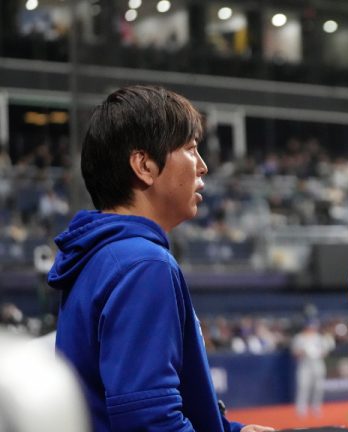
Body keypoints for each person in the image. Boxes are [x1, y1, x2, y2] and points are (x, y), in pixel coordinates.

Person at [48, 85, 273, 432]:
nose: (203, 166)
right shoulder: (143, 263)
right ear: (144, 165)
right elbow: (149, 423)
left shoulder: (102, 255)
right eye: (191, 149)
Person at [291, 318, 335, 418]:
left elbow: (326, 352)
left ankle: (316, 407)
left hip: (317, 363)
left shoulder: (319, 337)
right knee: (303, 386)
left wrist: (318, 353)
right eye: (310, 326)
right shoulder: (299, 338)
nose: (312, 328)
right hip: (304, 364)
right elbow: (295, 353)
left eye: (313, 326)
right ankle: (301, 409)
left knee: (318, 387)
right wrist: (303, 351)